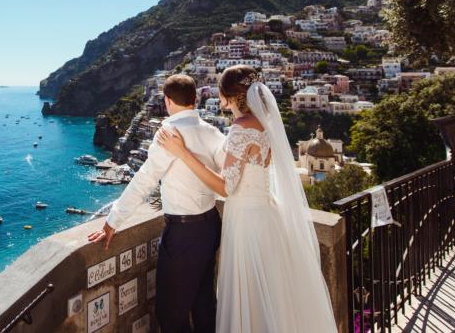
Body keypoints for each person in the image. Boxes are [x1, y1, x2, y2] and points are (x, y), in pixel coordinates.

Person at [156, 65, 337, 333]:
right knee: (271, 296)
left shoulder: (241, 129)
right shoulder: (265, 124)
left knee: (250, 293)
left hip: (246, 221)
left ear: (228, 95)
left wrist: (183, 153)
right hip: (267, 215)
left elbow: (226, 187)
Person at [88, 74, 226, 333]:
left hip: (184, 233)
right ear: (195, 99)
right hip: (211, 226)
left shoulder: (168, 134)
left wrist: (112, 221)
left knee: (170, 313)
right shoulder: (212, 132)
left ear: (167, 101)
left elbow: (145, 180)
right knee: (204, 305)